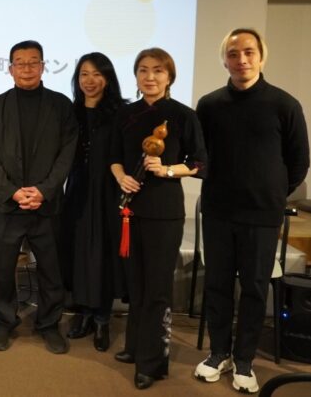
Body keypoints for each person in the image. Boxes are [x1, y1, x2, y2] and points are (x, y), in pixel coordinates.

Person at [194, 28, 310, 394]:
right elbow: (199, 156)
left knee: (255, 288)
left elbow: (299, 162)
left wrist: (272, 193)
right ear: (224, 60)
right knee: (217, 285)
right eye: (233, 53)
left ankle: (244, 360)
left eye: (248, 52)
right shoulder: (209, 105)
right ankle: (219, 353)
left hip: (262, 215)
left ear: (261, 57)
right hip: (218, 211)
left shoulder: (285, 104)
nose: (241, 59)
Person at [110, 47, 206, 390]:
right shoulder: (125, 114)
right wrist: (121, 177)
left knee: (157, 288)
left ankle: (152, 362)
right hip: (130, 210)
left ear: (170, 76)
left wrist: (166, 169)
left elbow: (200, 163)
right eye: (143, 70)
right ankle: (135, 346)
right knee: (136, 284)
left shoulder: (183, 115)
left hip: (164, 213)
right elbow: (113, 157)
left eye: (158, 71)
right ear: (136, 76)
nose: (150, 77)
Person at [0, 40, 77, 354]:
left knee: (50, 269)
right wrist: (13, 191)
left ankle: (48, 324)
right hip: (7, 204)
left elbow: (67, 154)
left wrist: (44, 191)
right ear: (10, 69)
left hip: (46, 205)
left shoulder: (61, 105)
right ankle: (4, 321)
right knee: (2, 268)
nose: (26, 68)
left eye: (33, 62)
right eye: (19, 63)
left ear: (43, 66)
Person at [61, 53, 127, 352]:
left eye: (97, 74)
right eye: (84, 74)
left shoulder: (120, 113)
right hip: (77, 189)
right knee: (77, 251)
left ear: (108, 78)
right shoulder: (70, 112)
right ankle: (84, 313)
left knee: (103, 253)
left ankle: (102, 318)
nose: (90, 80)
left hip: (108, 191)